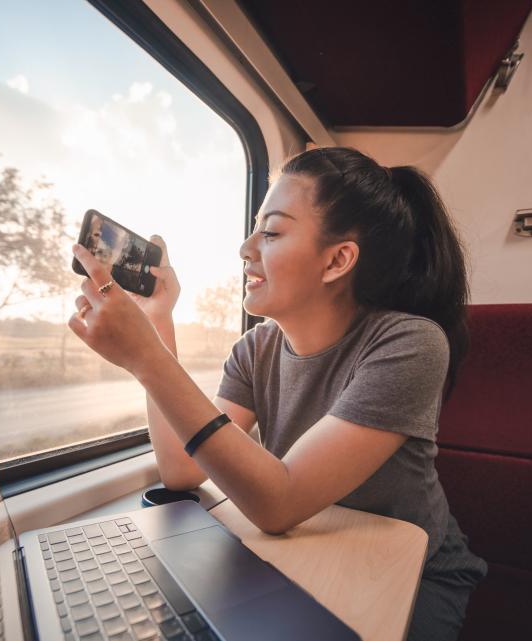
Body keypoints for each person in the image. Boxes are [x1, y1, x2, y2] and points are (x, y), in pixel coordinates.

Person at [68, 146, 487, 641]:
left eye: (270, 231)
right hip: (313, 546)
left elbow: (279, 503)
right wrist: (158, 322)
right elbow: (181, 469)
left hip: (414, 569)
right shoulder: (256, 347)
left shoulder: (411, 344)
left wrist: (146, 358)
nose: (246, 249)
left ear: (337, 260)